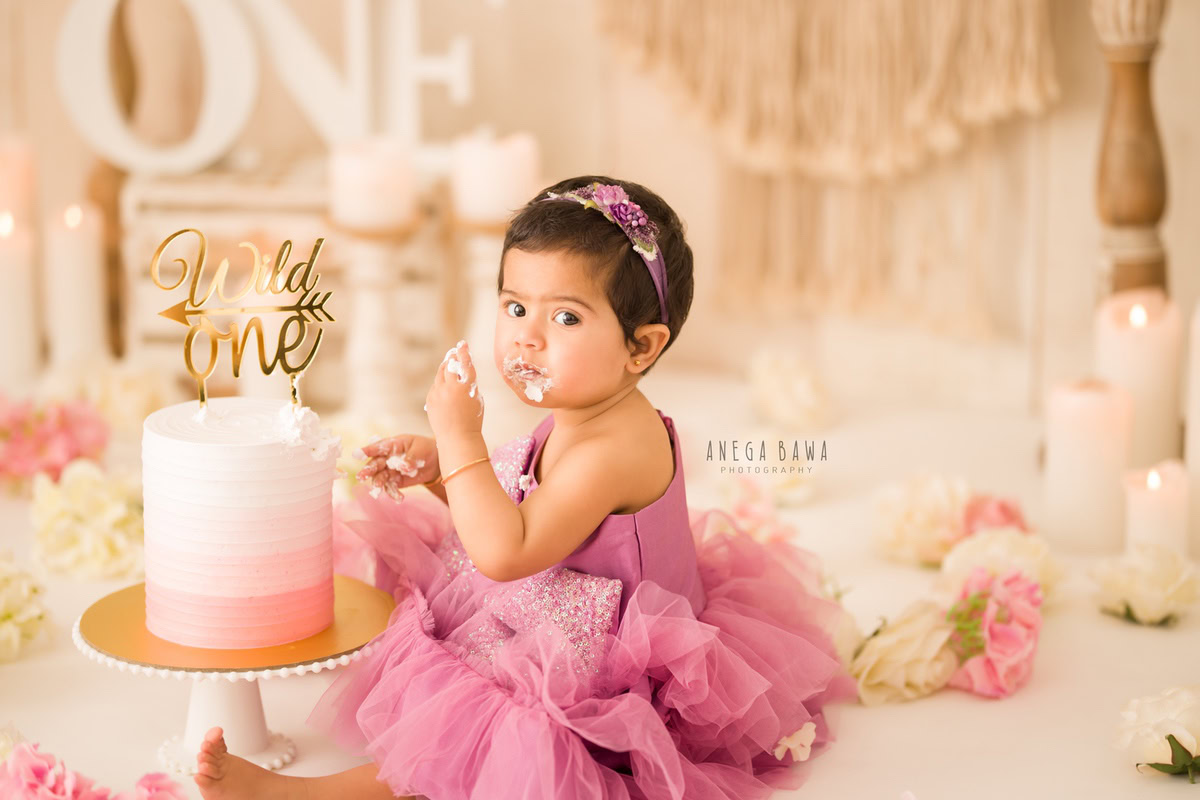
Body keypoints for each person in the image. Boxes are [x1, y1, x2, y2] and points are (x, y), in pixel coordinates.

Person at [194, 176, 855, 800]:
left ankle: (305, 794)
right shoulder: (584, 406)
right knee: (438, 634)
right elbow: (521, 515)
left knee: (479, 725)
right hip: (560, 601)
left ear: (641, 348)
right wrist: (440, 472)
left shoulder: (615, 446)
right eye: (514, 307)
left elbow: (507, 553)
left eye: (565, 319)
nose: (527, 339)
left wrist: (459, 442)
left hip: (616, 670)